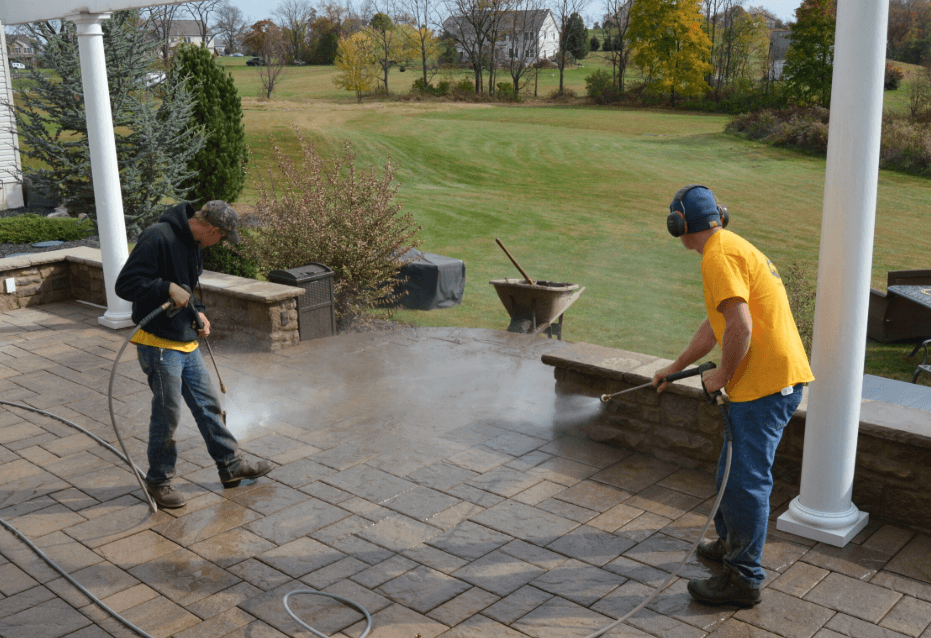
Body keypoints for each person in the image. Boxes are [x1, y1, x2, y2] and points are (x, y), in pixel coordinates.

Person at [651, 185, 814, 607]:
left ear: (680, 226)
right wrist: (675, 368)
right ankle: (729, 544)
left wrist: (721, 374)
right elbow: (716, 325)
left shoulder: (718, 257)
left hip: (764, 385)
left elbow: (740, 326)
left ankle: (744, 579)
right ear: (719, 216)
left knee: (745, 484)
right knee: (730, 473)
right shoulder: (729, 247)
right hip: (765, 380)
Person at [115, 201, 271, 509]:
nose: (220, 244)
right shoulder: (158, 236)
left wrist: (199, 312)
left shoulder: (194, 243)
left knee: (208, 406)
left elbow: (189, 287)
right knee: (168, 414)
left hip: (186, 341)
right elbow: (125, 284)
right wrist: (165, 287)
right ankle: (159, 480)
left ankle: (231, 466)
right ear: (213, 230)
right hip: (159, 344)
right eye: (222, 238)